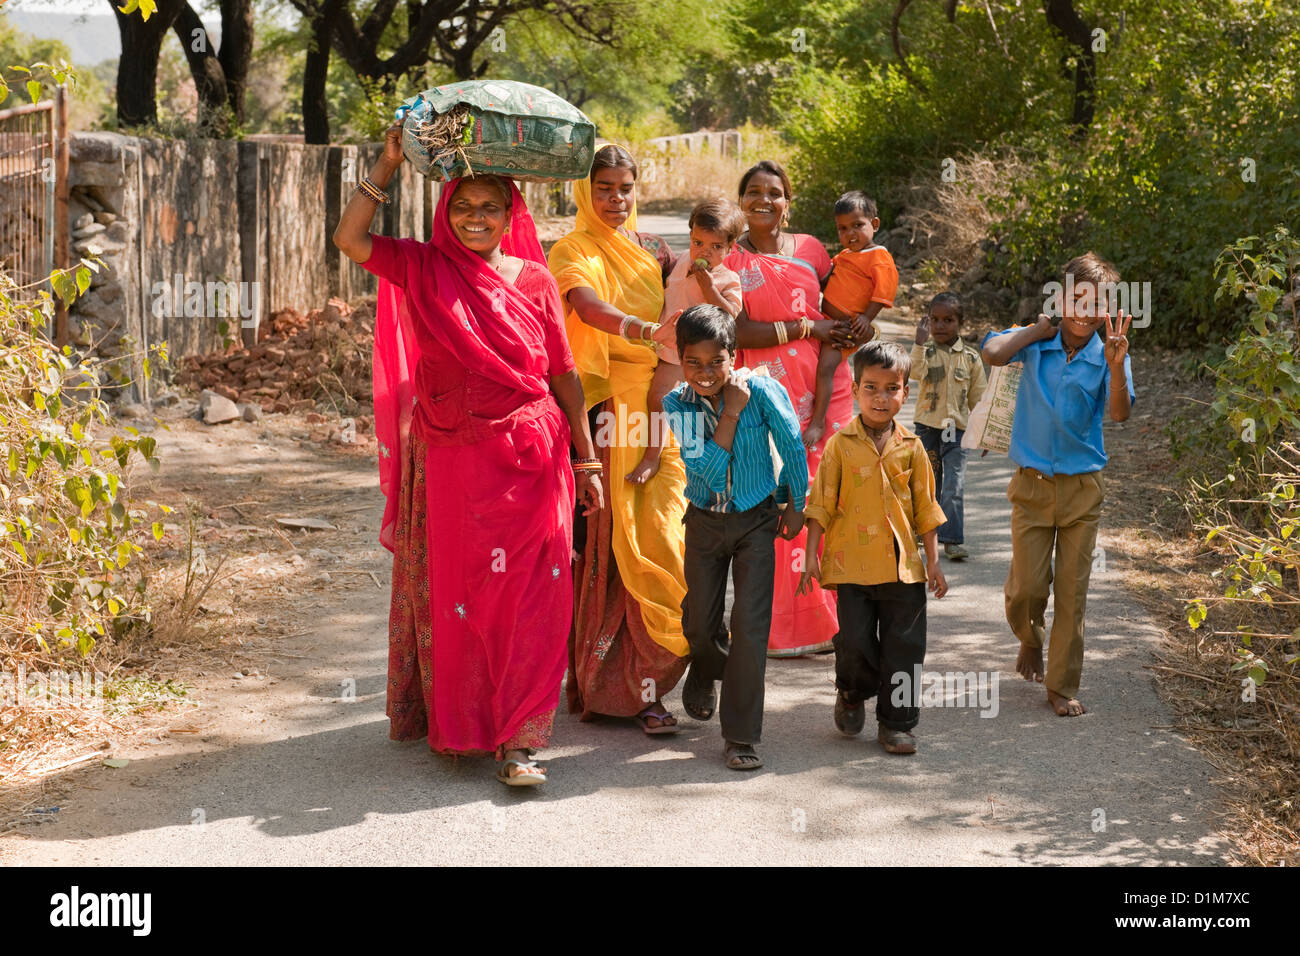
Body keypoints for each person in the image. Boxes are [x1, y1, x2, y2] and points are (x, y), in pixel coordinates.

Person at [333, 125, 604, 786]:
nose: (475, 217)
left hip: (534, 456)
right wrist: (389, 162)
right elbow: (349, 239)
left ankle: (522, 739)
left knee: (537, 593)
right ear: (444, 211)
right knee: (470, 598)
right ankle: (467, 721)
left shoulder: (537, 280)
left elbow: (564, 374)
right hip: (456, 461)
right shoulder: (424, 266)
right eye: (462, 205)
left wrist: (586, 457)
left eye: (489, 206)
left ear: (512, 213)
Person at [547, 144, 690, 733]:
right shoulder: (571, 248)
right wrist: (641, 328)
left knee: (667, 541)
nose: (616, 199)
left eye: (625, 188)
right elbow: (586, 305)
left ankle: (659, 678)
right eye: (603, 187)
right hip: (607, 416)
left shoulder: (653, 251)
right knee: (612, 546)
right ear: (585, 191)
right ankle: (621, 691)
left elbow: (692, 307)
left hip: (664, 414)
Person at [981, 252, 1134, 717]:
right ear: (1060, 298)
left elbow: (1120, 414)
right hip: (1031, 486)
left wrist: (1114, 368)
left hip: (1081, 490)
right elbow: (991, 353)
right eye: (1076, 299)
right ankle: (1030, 637)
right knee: (1027, 588)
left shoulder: (1110, 351)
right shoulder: (1035, 342)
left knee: (1072, 591)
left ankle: (1061, 685)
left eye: (1097, 302)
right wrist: (1036, 329)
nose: (1085, 312)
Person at [662, 305, 809, 771]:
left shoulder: (763, 389)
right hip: (704, 521)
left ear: (733, 355)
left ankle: (740, 737)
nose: (705, 373)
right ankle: (706, 667)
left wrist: (796, 503)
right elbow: (703, 470)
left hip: (755, 520)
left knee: (750, 627)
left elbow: (791, 445)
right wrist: (732, 413)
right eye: (693, 363)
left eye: (716, 361)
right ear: (680, 359)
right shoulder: (676, 404)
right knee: (699, 626)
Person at [725, 159, 856, 658]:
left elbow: (840, 306)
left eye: (775, 192)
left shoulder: (812, 251)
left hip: (827, 390)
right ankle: (782, 628)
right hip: (767, 394)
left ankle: (833, 620)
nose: (765, 200)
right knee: (780, 500)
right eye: (754, 191)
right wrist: (808, 329)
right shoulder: (730, 262)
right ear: (742, 202)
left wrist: (857, 326)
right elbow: (739, 332)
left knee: (831, 497)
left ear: (788, 200)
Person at [798, 341, 949, 755]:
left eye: (891, 388)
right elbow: (821, 503)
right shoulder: (839, 445)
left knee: (906, 646)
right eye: (871, 388)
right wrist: (811, 556)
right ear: (856, 388)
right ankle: (850, 691)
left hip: (904, 570)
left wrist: (934, 563)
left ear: (905, 390)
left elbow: (927, 510)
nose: (881, 398)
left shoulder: (913, 447)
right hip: (852, 567)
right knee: (857, 642)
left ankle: (897, 724)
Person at [629, 199, 745, 484]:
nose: (704, 252)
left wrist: (710, 289)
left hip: (703, 357)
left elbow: (730, 315)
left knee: (705, 412)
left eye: (716, 247)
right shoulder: (682, 261)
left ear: (731, 248)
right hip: (670, 349)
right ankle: (651, 457)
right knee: (658, 399)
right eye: (698, 242)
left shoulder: (727, 279)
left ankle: (711, 463)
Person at [910, 292, 987, 561]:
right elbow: (912, 373)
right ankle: (922, 531)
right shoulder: (925, 351)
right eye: (935, 319)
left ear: (960, 323)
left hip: (958, 431)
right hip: (927, 427)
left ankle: (952, 539)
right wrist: (918, 344)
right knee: (928, 483)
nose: (940, 326)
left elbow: (979, 397)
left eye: (948, 320)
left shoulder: (971, 358)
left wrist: (984, 433)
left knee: (954, 484)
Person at [822, 190, 899, 358]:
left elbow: (884, 290)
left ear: (875, 224)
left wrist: (866, 318)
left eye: (857, 225)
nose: (850, 233)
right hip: (825, 322)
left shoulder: (879, 256)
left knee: (826, 366)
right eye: (843, 228)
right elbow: (826, 275)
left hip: (848, 328)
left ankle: (829, 386)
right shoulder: (844, 255)